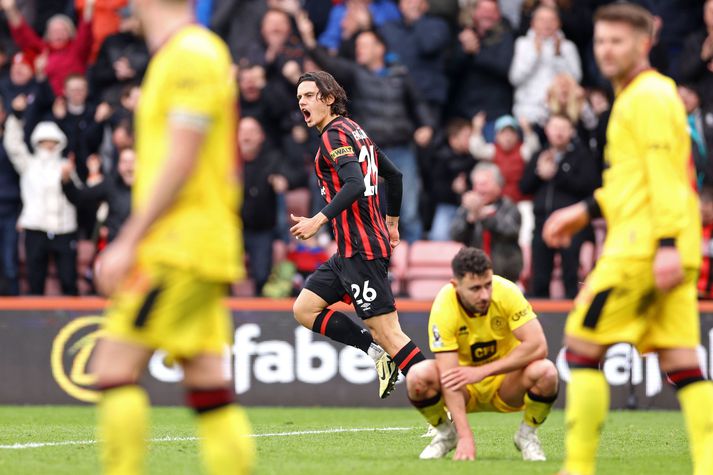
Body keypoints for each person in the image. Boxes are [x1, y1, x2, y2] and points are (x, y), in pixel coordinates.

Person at [542, 4, 713, 475]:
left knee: (579, 347)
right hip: (667, 243)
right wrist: (584, 211)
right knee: (683, 363)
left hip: (642, 249)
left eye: (618, 41)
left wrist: (661, 249)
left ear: (645, 42)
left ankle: (577, 467)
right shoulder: (642, 96)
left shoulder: (648, 97)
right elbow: (633, 182)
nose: (607, 50)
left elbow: (668, 179)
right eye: (601, 41)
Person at [88, 1, 255, 474]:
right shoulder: (184, 55)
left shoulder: (190, 55)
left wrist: (128, 241)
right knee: (208, 386)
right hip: (196, 245)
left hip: (178, 247)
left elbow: (182, 160)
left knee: (112, 368)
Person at [291, 70, 426, 399]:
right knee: (304, 309)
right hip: (351, 251)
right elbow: (393, 176)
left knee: (390, 335)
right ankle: (377, 356)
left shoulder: (333, 136)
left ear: (329, 98)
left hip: (362, 250)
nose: (302, 103)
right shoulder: (355, 130)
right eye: (299, 98)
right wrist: (392, 223)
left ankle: (442, 404)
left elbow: (353, 184)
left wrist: (317, 221)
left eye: (309, 96)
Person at [406, 247, 558, 461]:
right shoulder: (443, 305)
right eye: (475, 288)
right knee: (418, 376)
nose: (485, 295)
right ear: (456, 286)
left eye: (488, 285)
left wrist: (483, 371)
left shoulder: (507, 291)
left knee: (547, 372)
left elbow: (538, 346)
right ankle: (447, 435)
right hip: (464, 387)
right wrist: (465, 436)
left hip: (507, 384)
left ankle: (527, 435)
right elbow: (449, 377)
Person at [520, 113, 599, 299]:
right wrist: (538, 173)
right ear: (547, 130)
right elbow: (524, 187)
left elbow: (590, 187)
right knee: (539, 278)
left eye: (564, 128)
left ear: (572, 131)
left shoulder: (581, 155)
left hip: (571, 225)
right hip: (542, 223)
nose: (559, 133)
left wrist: (557, 174)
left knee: (571, 276)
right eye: (555, 128)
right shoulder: (540, 155)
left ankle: (571, 322)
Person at [4, 98, 78, 296]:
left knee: (68, 280)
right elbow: (13, 144)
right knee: (35, 281)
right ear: (37, 142)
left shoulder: (65, 165)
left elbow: (78, 195)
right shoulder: (29, 164)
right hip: (35, 228)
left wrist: (68, 179)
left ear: (59, 142)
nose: (48, 146)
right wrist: (16, 117)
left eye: (52, 142)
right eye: (44, 141)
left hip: (64, 229)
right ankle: (34, 326)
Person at [450, 163, 523, 283]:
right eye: (476, 184)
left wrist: (484, 217)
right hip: (474, 274)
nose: (480, 189)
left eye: (484, 184)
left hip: (505, 273)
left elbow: (512, 230)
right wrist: (469, 221)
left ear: (498, 185)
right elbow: (455, 234)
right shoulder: (467, 209)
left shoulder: (508, 206)